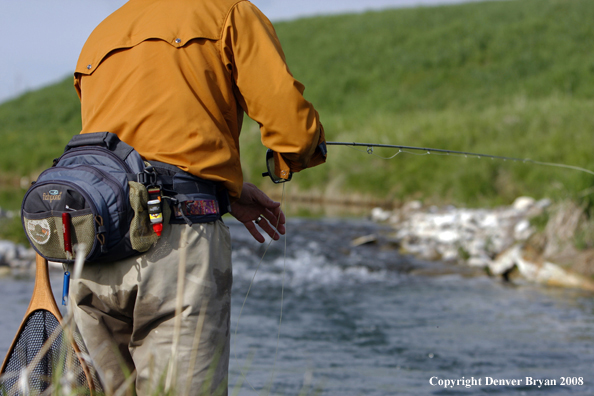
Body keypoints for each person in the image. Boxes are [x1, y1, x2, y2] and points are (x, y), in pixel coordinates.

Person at [70, 0, 326, 394]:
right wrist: (295, 157)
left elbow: (120, 152)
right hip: (177, 247)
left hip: (94, 248)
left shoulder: (102, 32)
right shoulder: (229, 12)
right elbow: (294, 133)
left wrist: (229, 193)